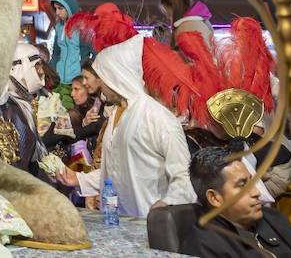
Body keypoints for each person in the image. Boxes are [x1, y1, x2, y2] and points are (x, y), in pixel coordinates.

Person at [51, 34, 195, 215]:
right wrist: (79, 179)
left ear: (116, 77)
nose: (100, 85)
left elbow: (184, 176)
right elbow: (114, 172)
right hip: (118, 226)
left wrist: (166, 205)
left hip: (148, 226)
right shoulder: (115, 115)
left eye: (103, 78)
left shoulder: (157, 117)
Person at [187, 147, 291, 258]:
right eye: (242, 185)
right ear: (215, 198)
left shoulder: (273, 218)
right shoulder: (203, 246)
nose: (256, 192)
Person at [0, 39, 50, 175]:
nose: (41, 72)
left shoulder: (22, 102)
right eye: (36, 66)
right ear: (19, 68)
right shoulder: (9, 106)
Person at [46, 0, 92, 86]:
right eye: (55, 8)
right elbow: (56, 53)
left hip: (77, 81)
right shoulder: (59, 27)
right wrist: (53, 72)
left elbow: (85, 55)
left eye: (60, 8)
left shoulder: (82, 27)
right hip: (59, 80)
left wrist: (81, 76)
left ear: (69, 7)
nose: (57, 12)